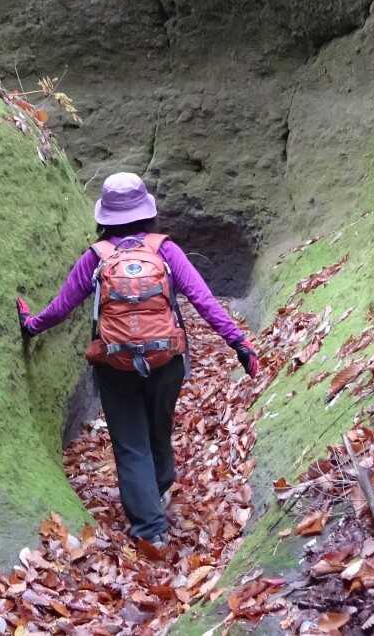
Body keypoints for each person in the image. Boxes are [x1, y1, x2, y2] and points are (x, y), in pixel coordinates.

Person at [16, 172, 258, 549]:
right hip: (166, 361)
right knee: (158, 428)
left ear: (105, 217)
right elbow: (203, 300)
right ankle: (157, 488)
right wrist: (239, 343)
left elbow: (61, 307)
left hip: (115, 364)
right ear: (147, 212)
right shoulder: (165, 251)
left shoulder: (95, 258)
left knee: (131, 443)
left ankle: (150, 528)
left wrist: (31, 326)